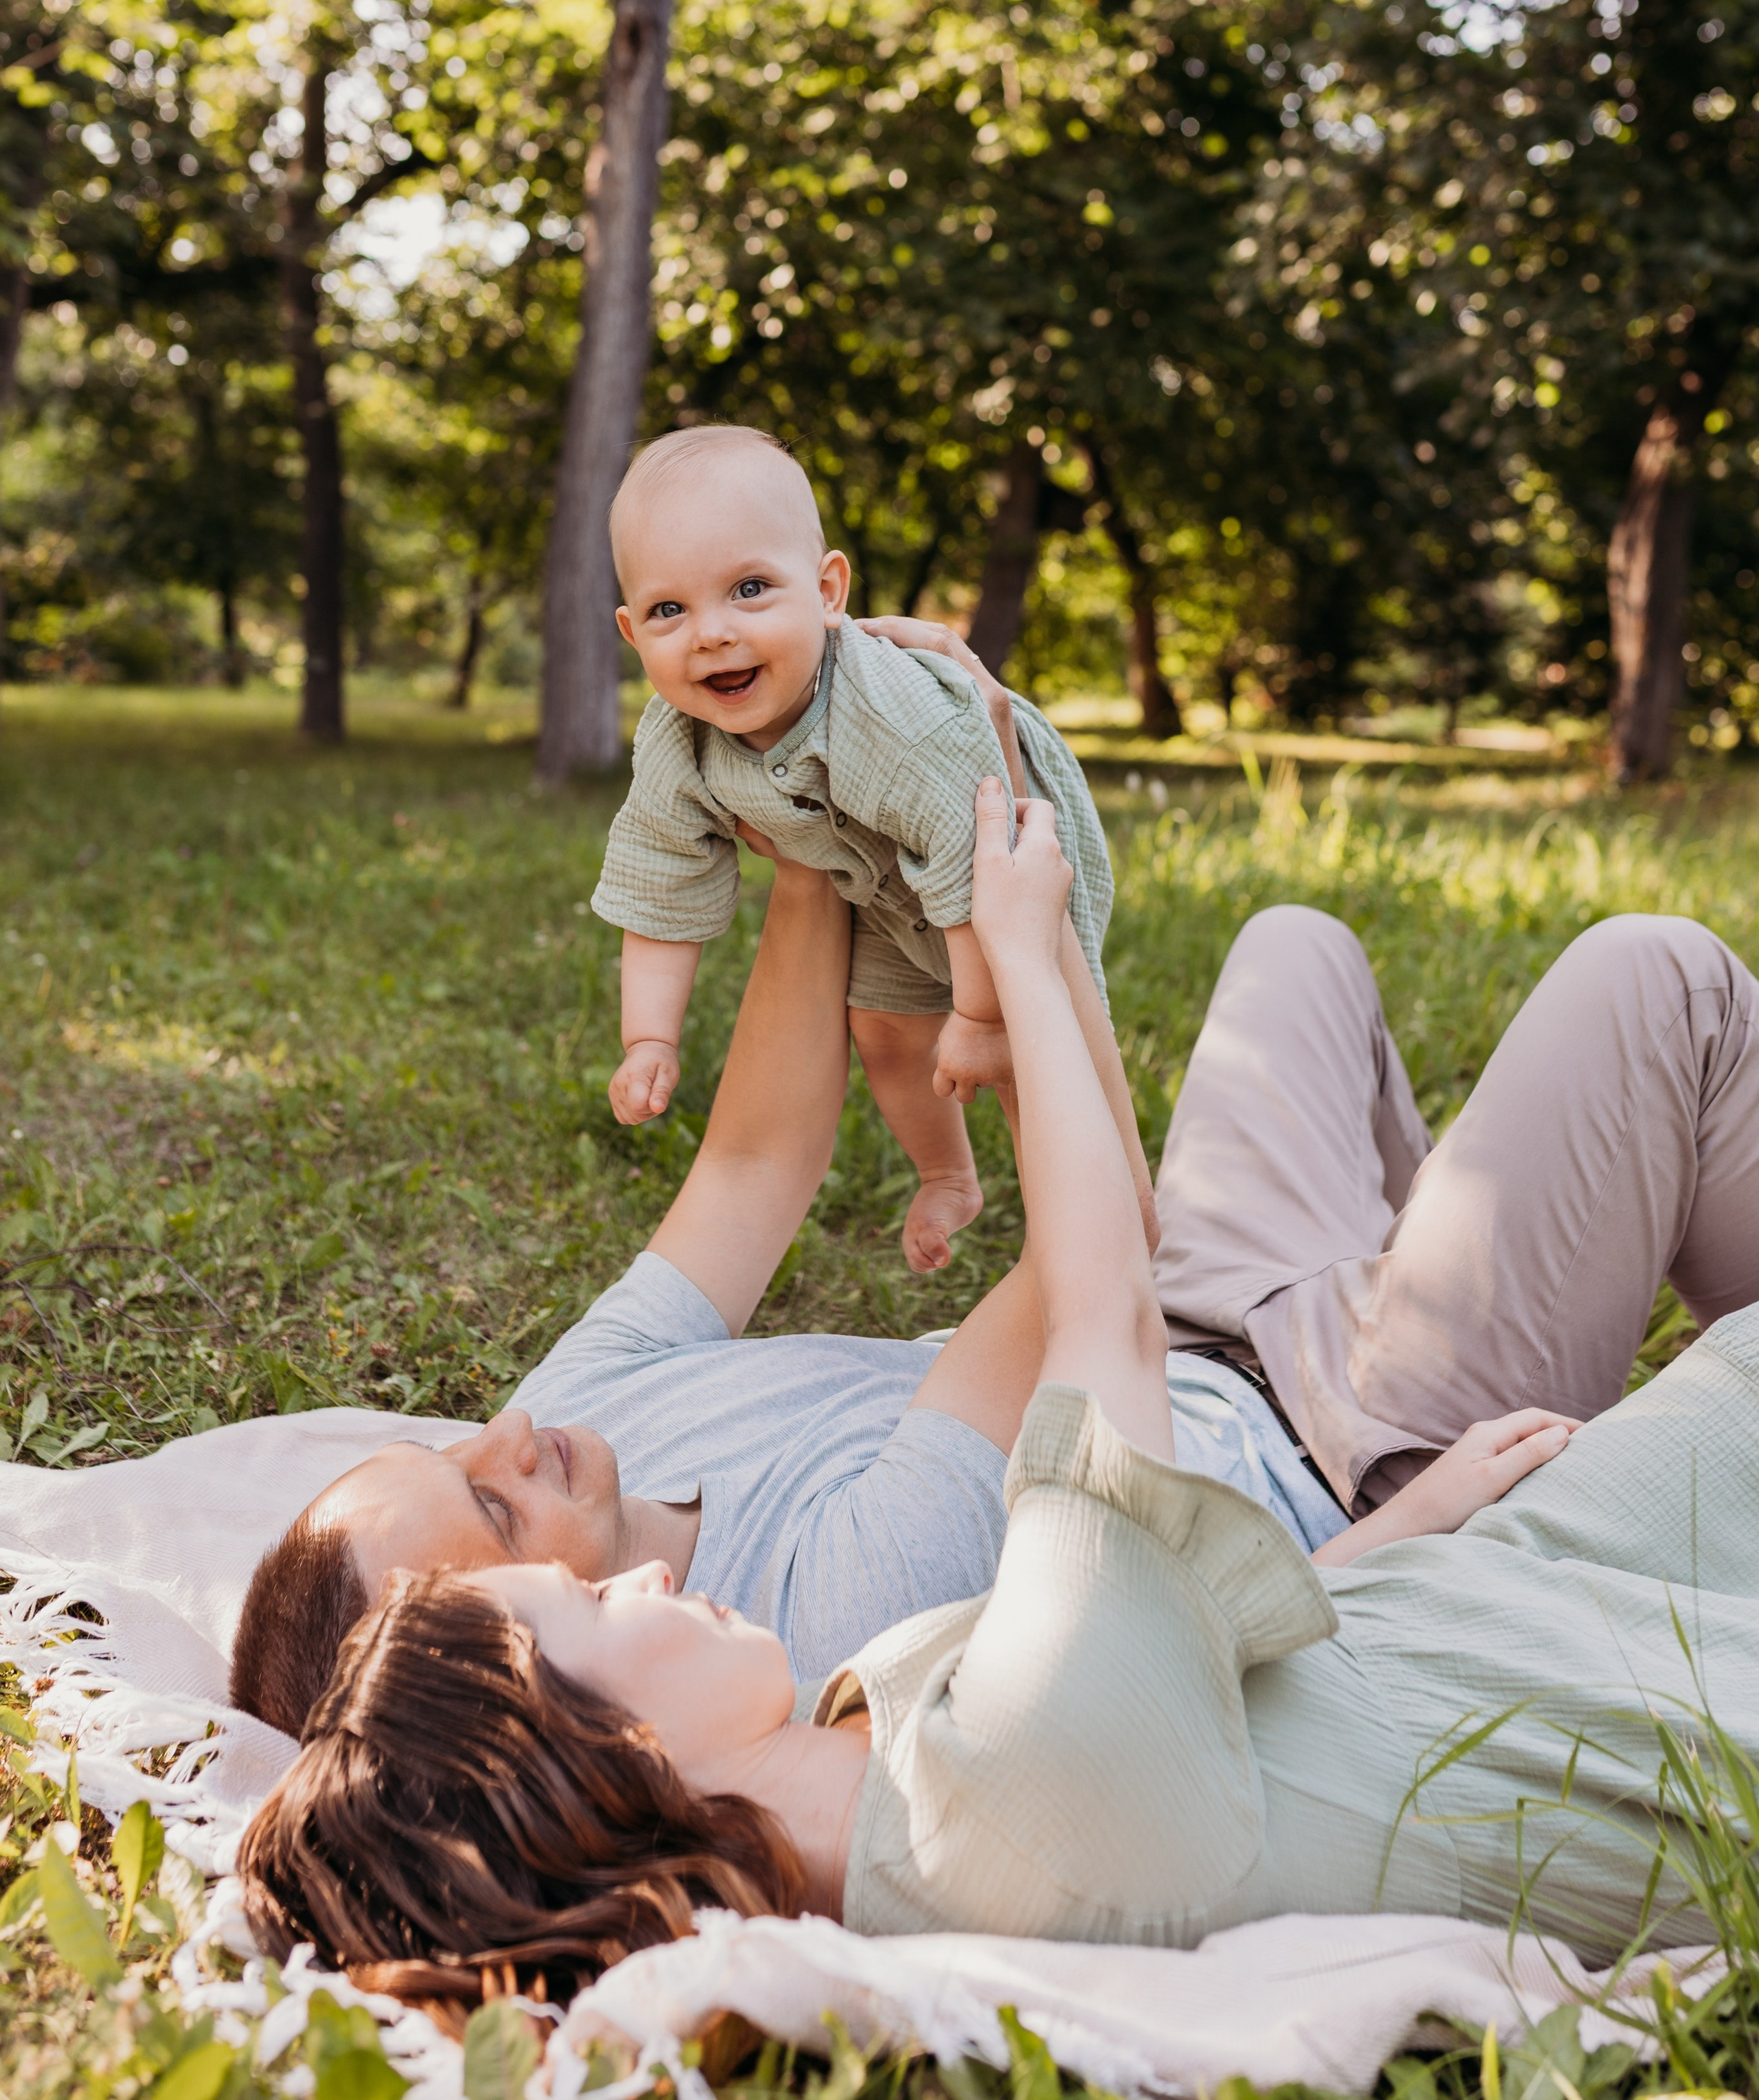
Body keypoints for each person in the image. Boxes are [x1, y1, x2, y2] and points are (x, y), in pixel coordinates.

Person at [239, 780, 1759, 1997]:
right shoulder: (992, 1766)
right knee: (1660, 980)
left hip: (1475, 1564)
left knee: (1296, 941)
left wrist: (801, 809)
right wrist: (1019, 948)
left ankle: (1506, 1253)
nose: (522, 1444)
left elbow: (1203, 1683)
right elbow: (1094, 1305)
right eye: (571, 1599)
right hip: (1544, 1583)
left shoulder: (868, 1726)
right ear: (598, 1749)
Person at [592, 423, 1153, 1272]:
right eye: (672, 609)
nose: (710, 632)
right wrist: (649, 1040)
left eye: (750, 588)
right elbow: (659, 881)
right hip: (887, 896)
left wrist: (976, 1013)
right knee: (887, 1034)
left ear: (826, 591)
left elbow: (973, 849)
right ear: (635, 636)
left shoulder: (889, 714)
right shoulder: (676, 741)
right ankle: (947, 1173)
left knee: (1026, 1058)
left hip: (1004, 852)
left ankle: (1090, 1239)